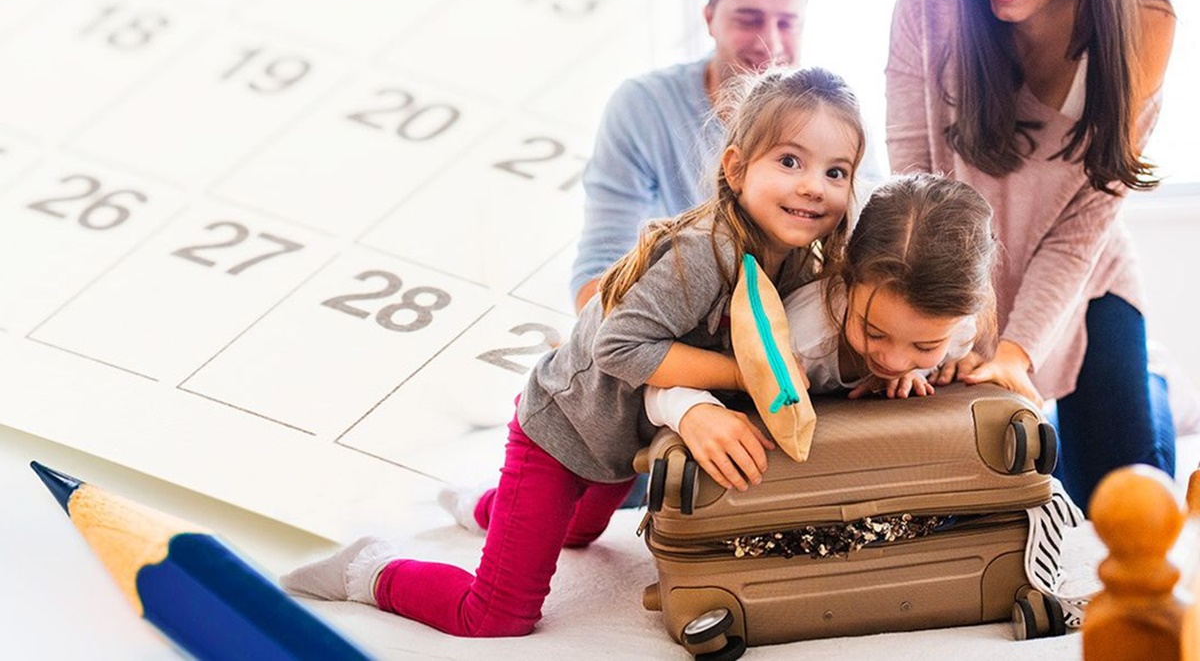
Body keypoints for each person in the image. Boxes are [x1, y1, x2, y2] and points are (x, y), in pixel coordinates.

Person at [280, 67, 866, 637]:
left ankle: (486, 508)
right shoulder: (702, 253)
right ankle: (368, 569)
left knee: (579, 534)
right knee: (496, 617)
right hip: (560, 431)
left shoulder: (796, 265)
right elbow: (622, 346)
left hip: (619, 443)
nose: (815, 185)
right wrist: (746, 374)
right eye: (790, 161)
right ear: (736, 169)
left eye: (835, 171)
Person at [885, 0, 1177, 510]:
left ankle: (1154, 380)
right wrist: (950, 324)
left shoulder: (1144, 24)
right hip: (960, 276)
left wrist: (1016, 353)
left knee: (1124, 497)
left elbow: (1082, 231)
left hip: (1084, 282)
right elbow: (912, 179)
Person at [645, 174, 999, 489]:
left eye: (925, 345)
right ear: (846, 281)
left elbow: (950, 350)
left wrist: (932, 367)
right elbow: (657, 381)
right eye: (874, 333)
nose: (894, 359)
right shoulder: (801, 337)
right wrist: (691, 412)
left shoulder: (959, 329)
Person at [570, 0, 810, 313]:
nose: (771, 44)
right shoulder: (642, 109)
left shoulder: (830, 117)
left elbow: (870, 245)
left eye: (787, 23)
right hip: (673, 324)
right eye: (749, 20)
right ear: (710, 19)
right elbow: (598, 279)